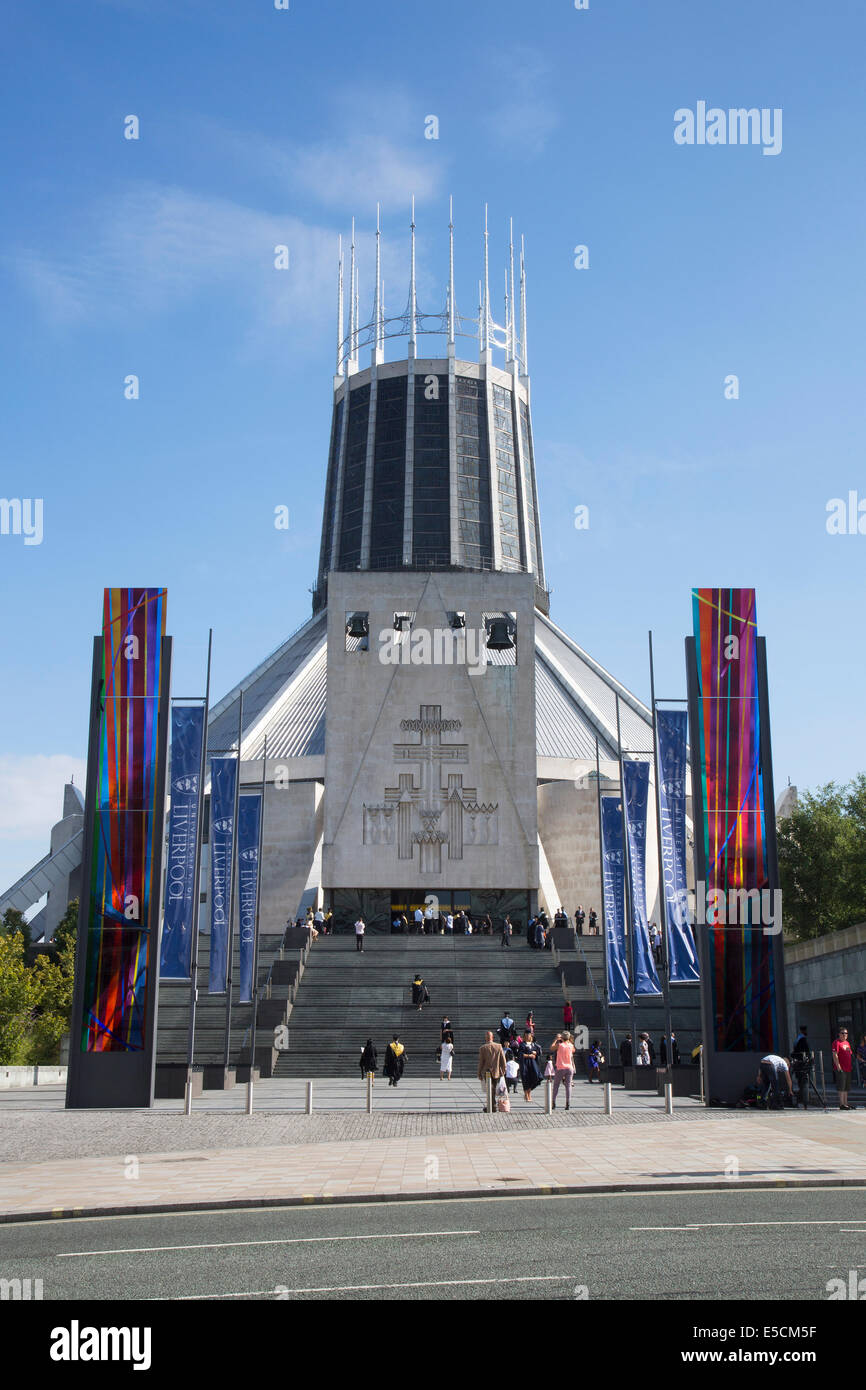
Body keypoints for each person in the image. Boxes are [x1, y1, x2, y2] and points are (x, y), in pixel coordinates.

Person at [477, 1030, 507, 1112]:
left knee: (490, 1089)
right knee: (492, 1089)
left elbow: (481, 1062)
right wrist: (503, 1070)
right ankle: (492, 1105)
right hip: (496, 1071)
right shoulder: (499, 1046)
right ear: (492, 1037)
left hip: (487, 1072)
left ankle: (492, 1106)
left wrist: (479, 1073)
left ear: (486, 1038)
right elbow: (503, 1060)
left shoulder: (483, 1048)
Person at [551, 1031, 576, 1110]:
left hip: (560, 1067)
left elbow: (551, 1048)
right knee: (568, 1086)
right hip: (569, 1068)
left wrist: (556, 1039)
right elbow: (573, 1051)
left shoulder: (559, 1045)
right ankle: (568, 1102)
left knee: (556, 1085)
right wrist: (568, 1040)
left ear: (562, 1037)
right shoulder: (571, 1045)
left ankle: (553, 1102)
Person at [832, 1028, 854, 1110]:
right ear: (839, 1034)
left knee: (846, 1087)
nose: (844, 1034)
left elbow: (849, 1053)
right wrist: (838, 1066)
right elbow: (835, 1055)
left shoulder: (847, 1043)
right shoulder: (836, 1042)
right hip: (841, 1068)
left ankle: (846, 1103)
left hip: (848, 1068)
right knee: (841, 1086)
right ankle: (841, 1104)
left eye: (846, 1033)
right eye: (843, 1033)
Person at [790, 1025, 812, 1109]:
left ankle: (801, 1101)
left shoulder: (797, 1040)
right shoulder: (803, 1040)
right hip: (802, 1065)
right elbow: (806, 1052)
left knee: (801, 1083)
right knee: (804, 1084)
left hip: (798, 1065)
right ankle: (804, 1102)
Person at [517, 1032, 543, 1103]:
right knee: (526, 1079)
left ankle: (529, 1092)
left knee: (536, 1077)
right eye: (526, 1035)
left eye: (529, 1035)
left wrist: (536, 1053)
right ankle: (527, 1094)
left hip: (533, 1064)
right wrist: (529, 1056)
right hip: (525, 1064)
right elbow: (520, 1054)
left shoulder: (534, 1044)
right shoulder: (522, 1044)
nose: (528, 1036)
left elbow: (539, 1053)